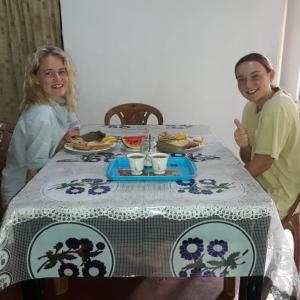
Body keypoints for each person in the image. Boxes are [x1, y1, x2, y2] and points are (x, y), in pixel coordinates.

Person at [1, 45, 80, 206]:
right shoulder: (42, 114)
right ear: (35, 79)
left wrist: (62, 140)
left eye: (62, 71)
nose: (58, 79)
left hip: (43, 179)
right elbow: (34, 172)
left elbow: (75, 132)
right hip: (22, 193)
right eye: (49, 73)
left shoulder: (58, 103)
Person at [233, 52, 300, 219]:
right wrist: (244, 145)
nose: (248, 85)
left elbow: (262, 163)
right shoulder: (250, 107)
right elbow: (249, 159)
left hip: (278, 195)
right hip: (259, 184)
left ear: (271, 75)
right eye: (241, 79)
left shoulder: (278, 105)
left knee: (214, 208)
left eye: (255, 76)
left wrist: (230, 184)